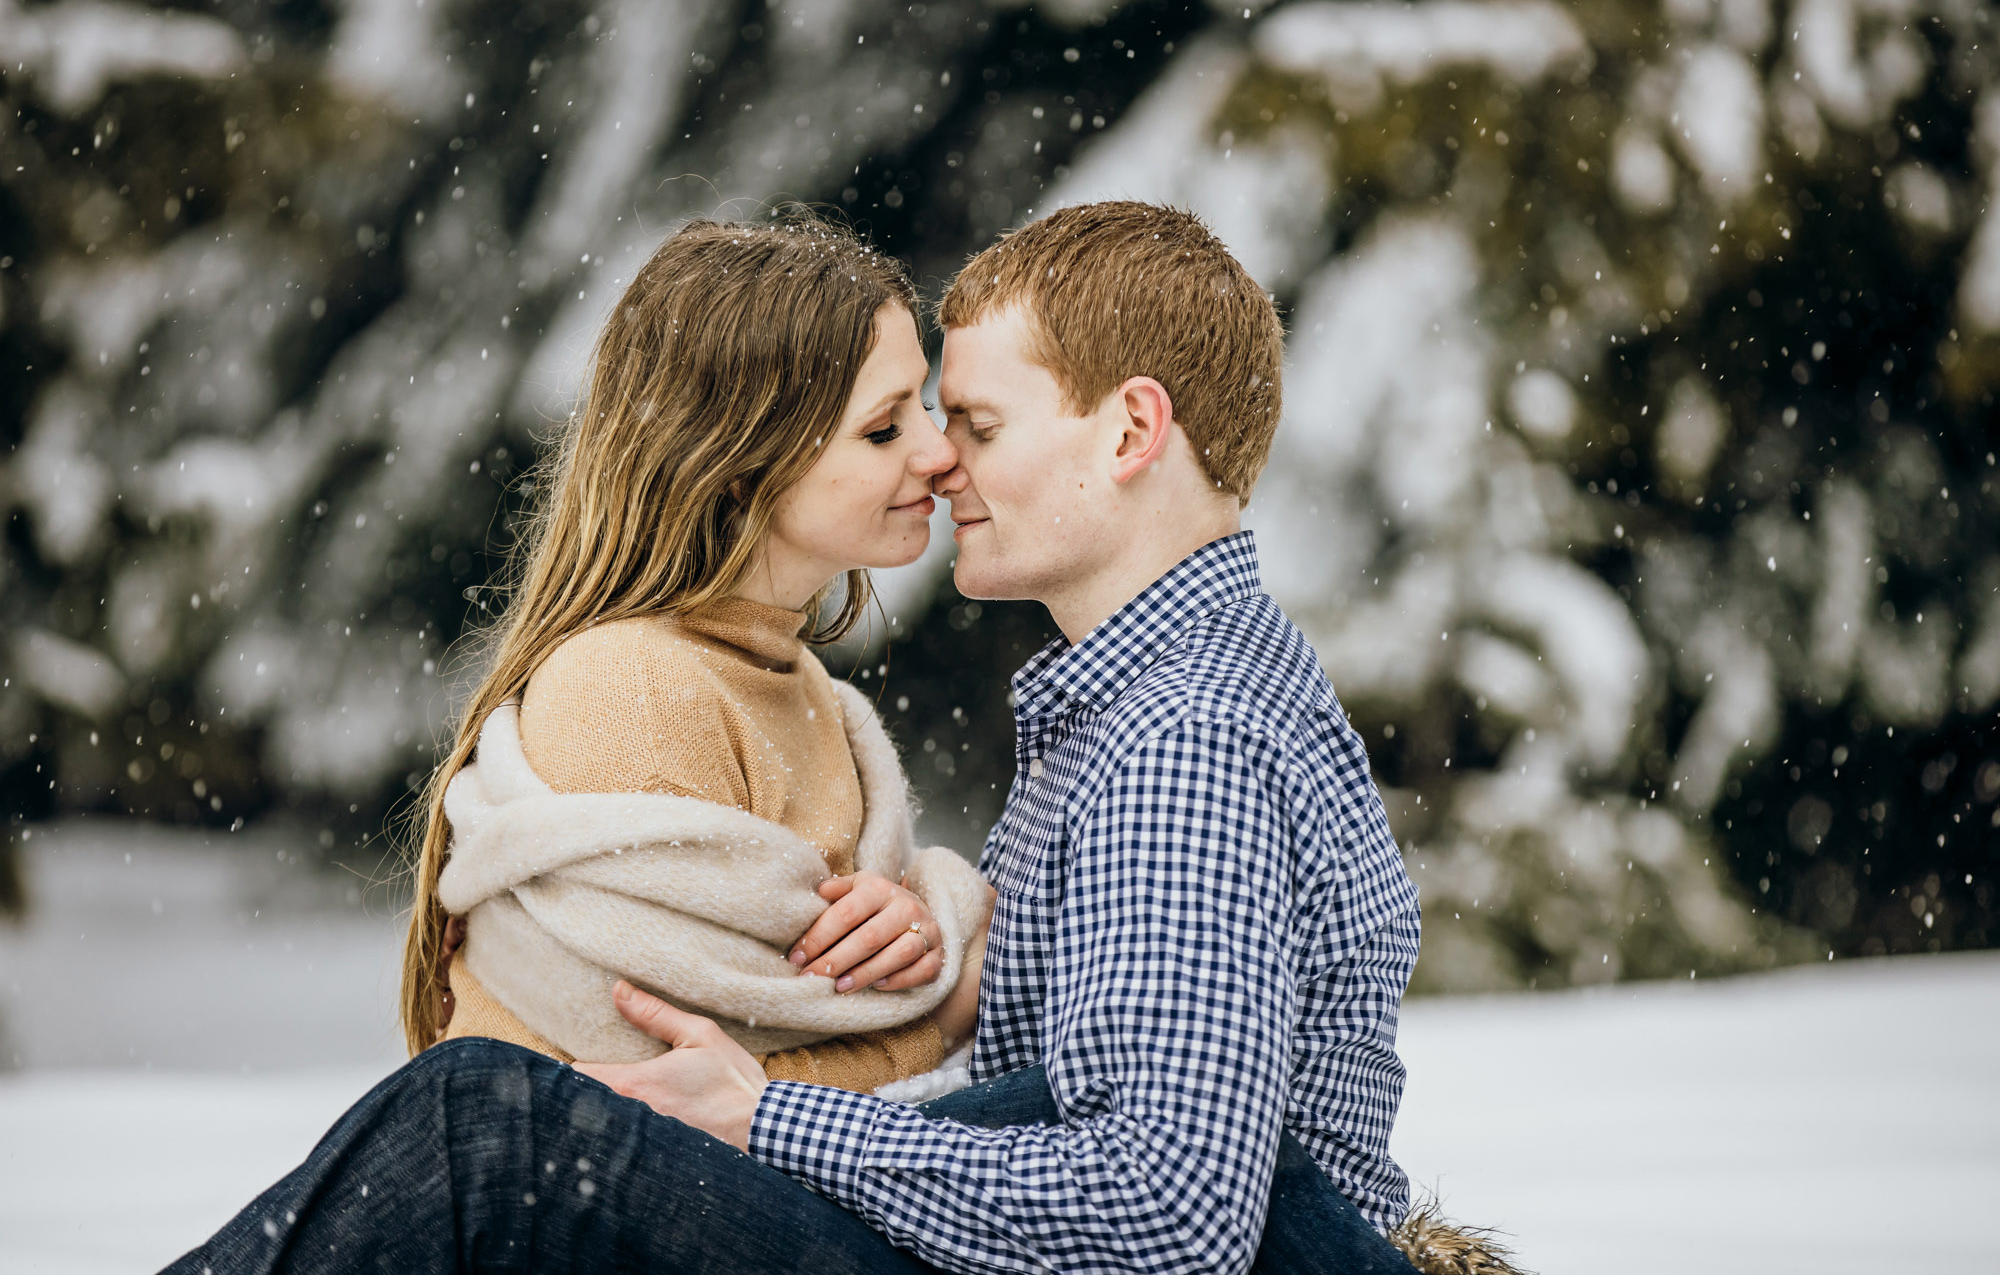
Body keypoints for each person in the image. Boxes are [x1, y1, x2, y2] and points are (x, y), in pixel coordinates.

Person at [164, 201, 1428, 1275]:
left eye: (974, 426)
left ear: (1130, 431)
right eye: (907, 424)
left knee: (481, 1127)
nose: (942, 461)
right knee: (483, 1123)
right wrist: (940, 946)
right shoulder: (1145, 710)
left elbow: (1168, 1208)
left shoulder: (1182, 741)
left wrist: (777, 1120)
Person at [392, 215, 990, 1094]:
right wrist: (939, 1016)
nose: (939, 454)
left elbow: (777, 1025)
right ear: (743, 467)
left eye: (925, 408)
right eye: (882, 429)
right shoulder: (630, 689)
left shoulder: (804, 689)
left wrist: (916, 922)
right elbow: (665, 1090)